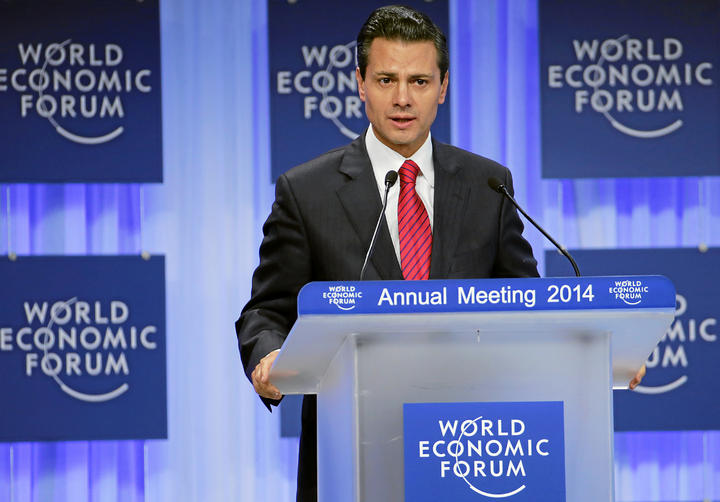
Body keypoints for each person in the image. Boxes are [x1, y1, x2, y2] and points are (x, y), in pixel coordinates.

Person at [235, 5, 539, 501]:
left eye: (419, 81)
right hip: (350, 448)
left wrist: (597, 356)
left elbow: (528, 305)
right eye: (385, 80)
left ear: (443, 87)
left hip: (468, 447)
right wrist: (269, 355)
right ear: (360, 83)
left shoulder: (489, 184)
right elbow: (267, 309)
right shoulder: (307, 191)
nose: (402, 98)